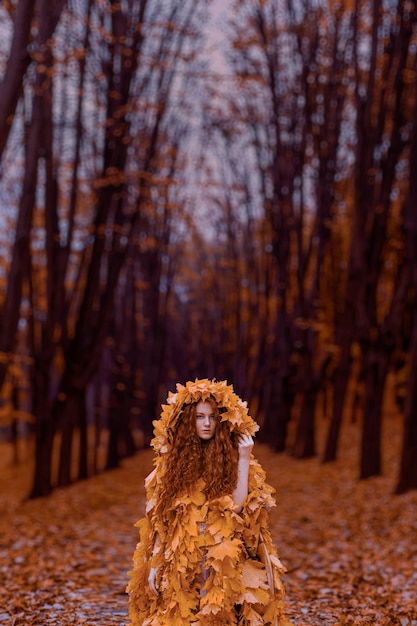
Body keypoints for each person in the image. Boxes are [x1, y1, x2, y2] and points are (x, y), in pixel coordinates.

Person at [127, 378, 290, 625]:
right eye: (200, 417)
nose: (206, 423)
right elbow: (162, 518)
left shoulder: (231, 457)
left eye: (212, 417)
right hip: (183, 555)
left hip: (221, 554)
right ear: (188, 421)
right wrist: (154, 564)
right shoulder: (172, 464)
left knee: (216, 615)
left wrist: (243, 459)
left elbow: (236, 506)